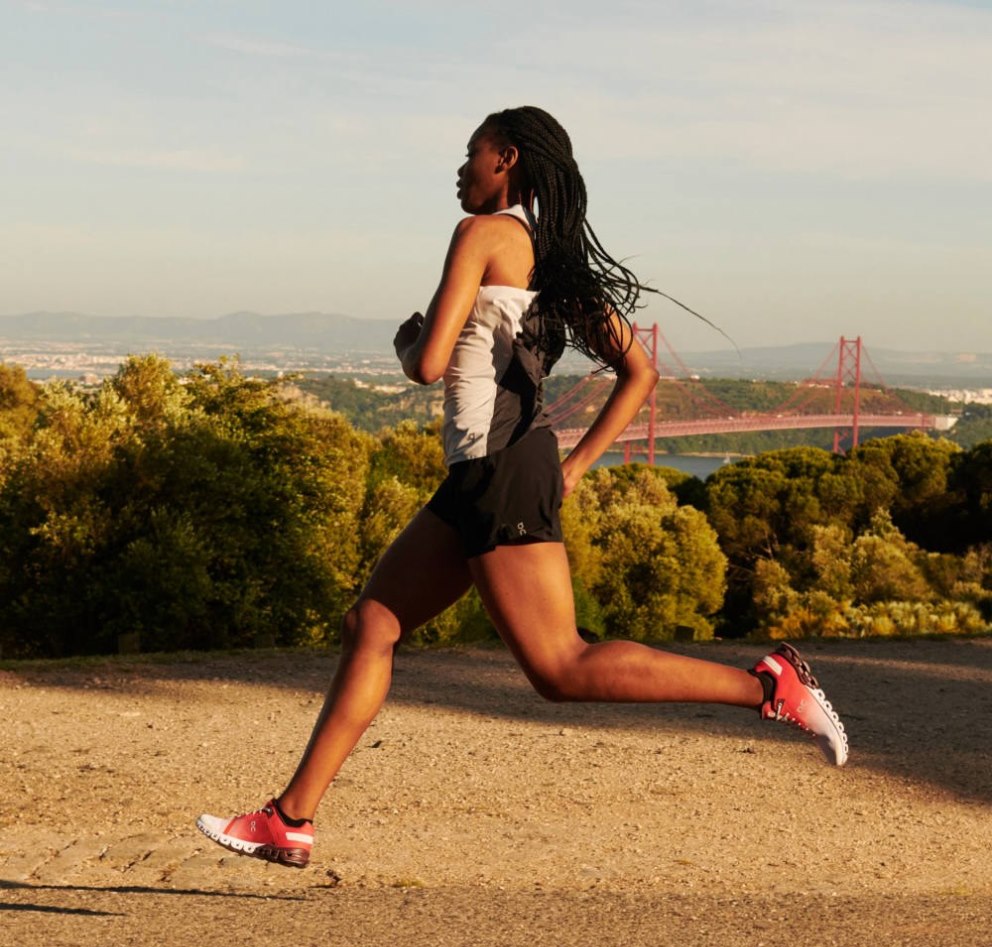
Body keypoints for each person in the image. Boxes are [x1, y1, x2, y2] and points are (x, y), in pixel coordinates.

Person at [197, 106, 848, 869]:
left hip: (500, 471)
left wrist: (406, 340)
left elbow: (429, 364)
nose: (460, 168)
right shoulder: (555, 258)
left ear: (505, 158)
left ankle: (768, 687)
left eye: (469, 154)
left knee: (560, 668)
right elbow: (642, 372)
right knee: (371, 623)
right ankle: (290, 820)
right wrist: (572, 466)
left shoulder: (482, 234)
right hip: (488, 474)